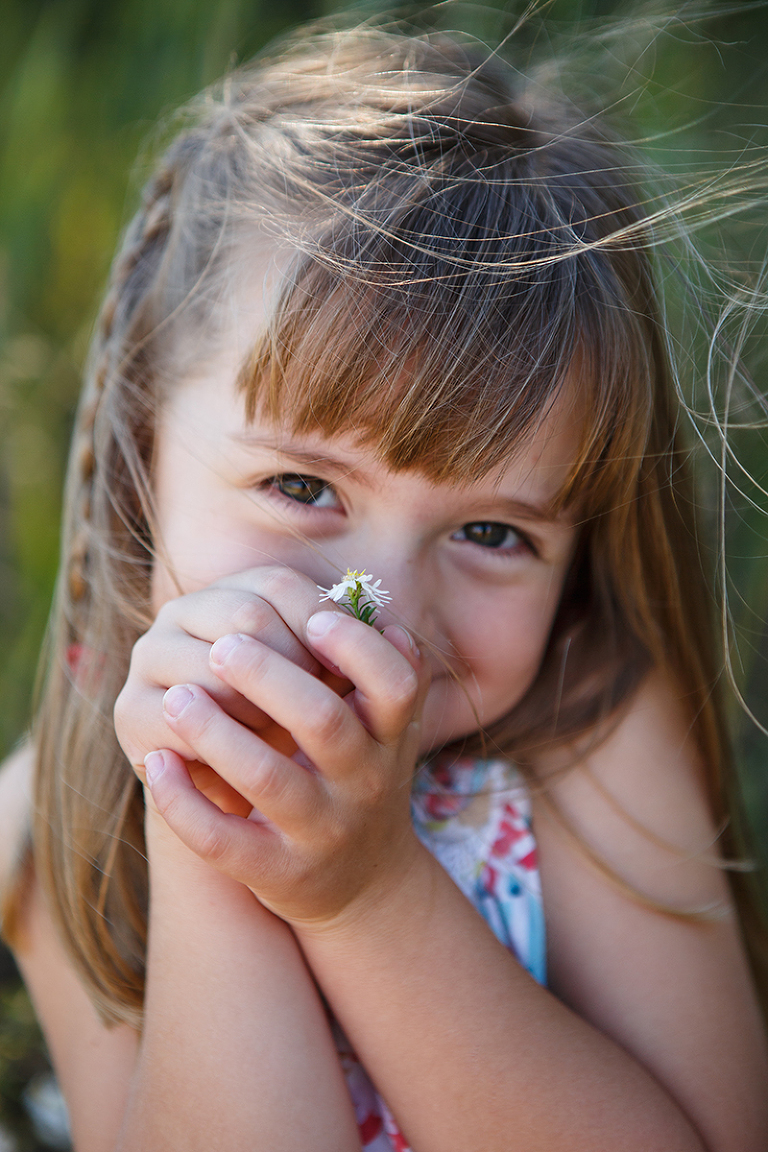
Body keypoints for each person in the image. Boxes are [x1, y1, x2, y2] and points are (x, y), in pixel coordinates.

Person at [0, 13, 767, 1152]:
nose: (382, 602)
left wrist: (364, 897)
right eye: (303, 488)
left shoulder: (583, 726)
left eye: (496, 532)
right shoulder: (62, 817)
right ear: (140, 445)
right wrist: (214, 820)